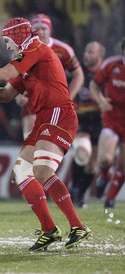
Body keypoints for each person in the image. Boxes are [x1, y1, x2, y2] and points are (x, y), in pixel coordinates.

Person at [0, 17, 91, 251]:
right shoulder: (29, 60)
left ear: (17, 37)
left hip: (58, 113)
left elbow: (5, 73)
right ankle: (49, 229)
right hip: (42, 118)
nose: (7, 46)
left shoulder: (35, 47)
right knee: (21, 173)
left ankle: (78, 226)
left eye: (8, 41)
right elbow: (5, 94)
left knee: (42, 170)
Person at [15, 13, 84, 139]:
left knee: (53, 143)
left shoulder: (63, 50)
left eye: (44, 28)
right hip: (32, 101)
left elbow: (78, 75)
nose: (40, 32)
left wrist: (69, 98)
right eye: (37, 29)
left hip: (55, 101)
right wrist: (18, 95)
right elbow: (14, 75)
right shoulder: (22, 50)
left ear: (50, 30)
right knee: (31, 141)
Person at [90, 37, 125, 208]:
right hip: (112, 117)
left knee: (123, 164)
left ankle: (109, 200)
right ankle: (104, 176)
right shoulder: (112, 64)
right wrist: (101, 101)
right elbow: (94, 85)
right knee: (104, 159)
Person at [70, 41, 105, 208]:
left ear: (100, 56)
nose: (86, 55)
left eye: (91, 52)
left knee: (92, 164)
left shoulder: (106, 74)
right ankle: (75, 188)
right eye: (85, 51)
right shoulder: (78, 73)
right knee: (82, 152)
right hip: (81, 119)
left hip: (100, 122)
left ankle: (80, 195)